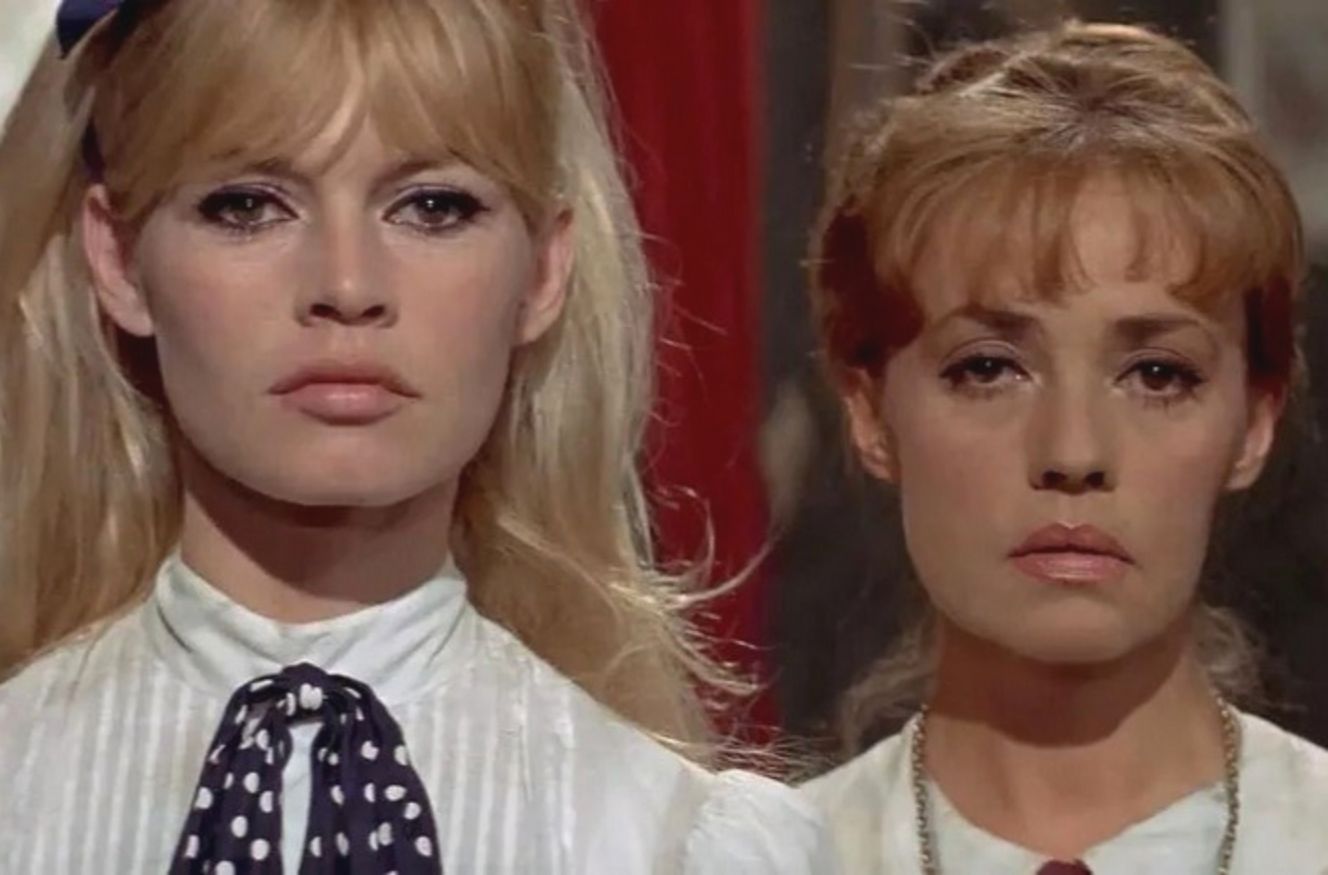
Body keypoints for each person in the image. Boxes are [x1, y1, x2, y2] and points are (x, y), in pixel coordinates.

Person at [0, 2, 832, 873]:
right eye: (247, 206)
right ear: (117, 258)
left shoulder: (676, 841)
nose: (347, 283)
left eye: (432, 207)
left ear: (544, 268)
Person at [800, 20, 1328, 874]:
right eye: (989, 368)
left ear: (1255, 421)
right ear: (869, 409)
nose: (1074, 451)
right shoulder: (759, 856)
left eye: (1157, 374)